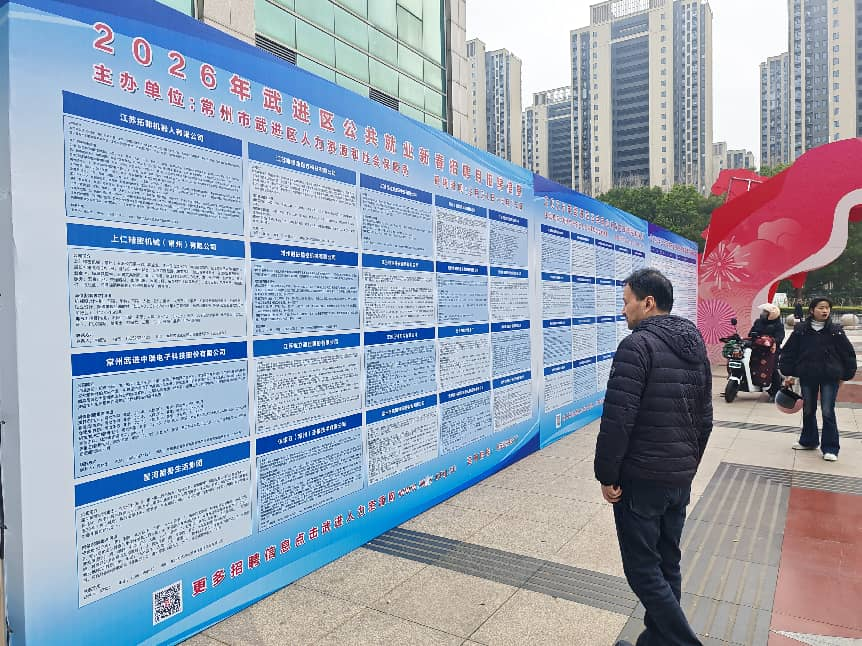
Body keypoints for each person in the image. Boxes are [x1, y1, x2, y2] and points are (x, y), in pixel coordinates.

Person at [594, 268, 712, 646]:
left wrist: (607, 474)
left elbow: (618, 419)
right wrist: (688, 465)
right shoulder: (693, 344)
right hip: (678, 478)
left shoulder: (637, 346)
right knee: (667, 563)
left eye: (626, 302)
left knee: (643, 570)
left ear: (647, 303)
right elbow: (705, 417)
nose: (623, 310)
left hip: (642, 481)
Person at [779, 296, 857, 461]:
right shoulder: (801, 330)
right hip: (808, 375)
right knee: (808, 409)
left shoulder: (835, 330)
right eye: (821, 307)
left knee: (828, 411)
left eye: (827, 308)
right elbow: (789, 352)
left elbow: (848, 353)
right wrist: (789, 373)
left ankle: (831, 448)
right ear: (812, 310)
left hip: (830, 376)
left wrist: (845, 375)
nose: (825, 310)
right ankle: (809, 441)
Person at [747, 303, 785, 400]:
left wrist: (770, 340)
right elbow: (750, 333)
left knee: (772, 370)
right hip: (757, 349)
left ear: (772, 314)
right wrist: (754, 336)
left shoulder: (778, 325)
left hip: (771, 352)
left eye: (765, 312)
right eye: (763, 311)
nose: (763, 313)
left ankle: (775, 392)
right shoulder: (758, 322)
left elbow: (780, 338)